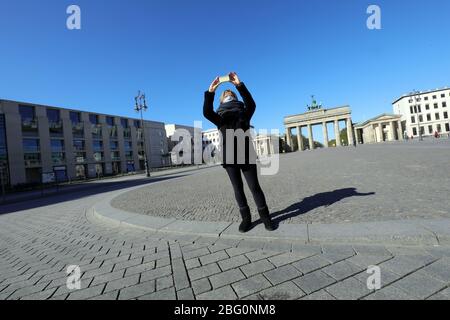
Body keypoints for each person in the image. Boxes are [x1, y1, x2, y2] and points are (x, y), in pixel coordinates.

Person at [203, 72, 276, 232]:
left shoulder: (244, 112)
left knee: (254, 187)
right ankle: (246, 219)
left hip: (246, 155)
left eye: (230, 93)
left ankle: (266, 218)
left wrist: (239, 85)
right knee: (238, 189)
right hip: (229, 159)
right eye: (225, 94)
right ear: (221, 100)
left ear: (235, 97)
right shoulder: (219, 117)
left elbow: (252, 104)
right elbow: (206, 112)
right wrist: (211, 91)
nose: (227, 95)